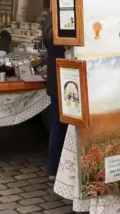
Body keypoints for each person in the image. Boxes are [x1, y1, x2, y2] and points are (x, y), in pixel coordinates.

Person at [44, 13, 68, 178]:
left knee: (60, 128)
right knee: (58, 128)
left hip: (62, 81)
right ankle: (54, 168)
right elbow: (50, 38)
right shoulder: (56, 18)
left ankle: (59, 168)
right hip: (61, 81)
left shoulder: (51, 17)